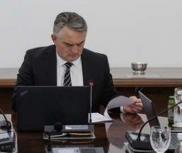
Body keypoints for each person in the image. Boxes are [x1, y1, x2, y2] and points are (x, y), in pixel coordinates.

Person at [12, 11, 143, 114]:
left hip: (88, 133)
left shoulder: (98, 62)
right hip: (46, 130)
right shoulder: (34, 60)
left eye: (80, 43)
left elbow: (108, 96)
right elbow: (17, 102)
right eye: (68, 44)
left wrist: (123, 105)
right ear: (54, 39)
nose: (75, 50)